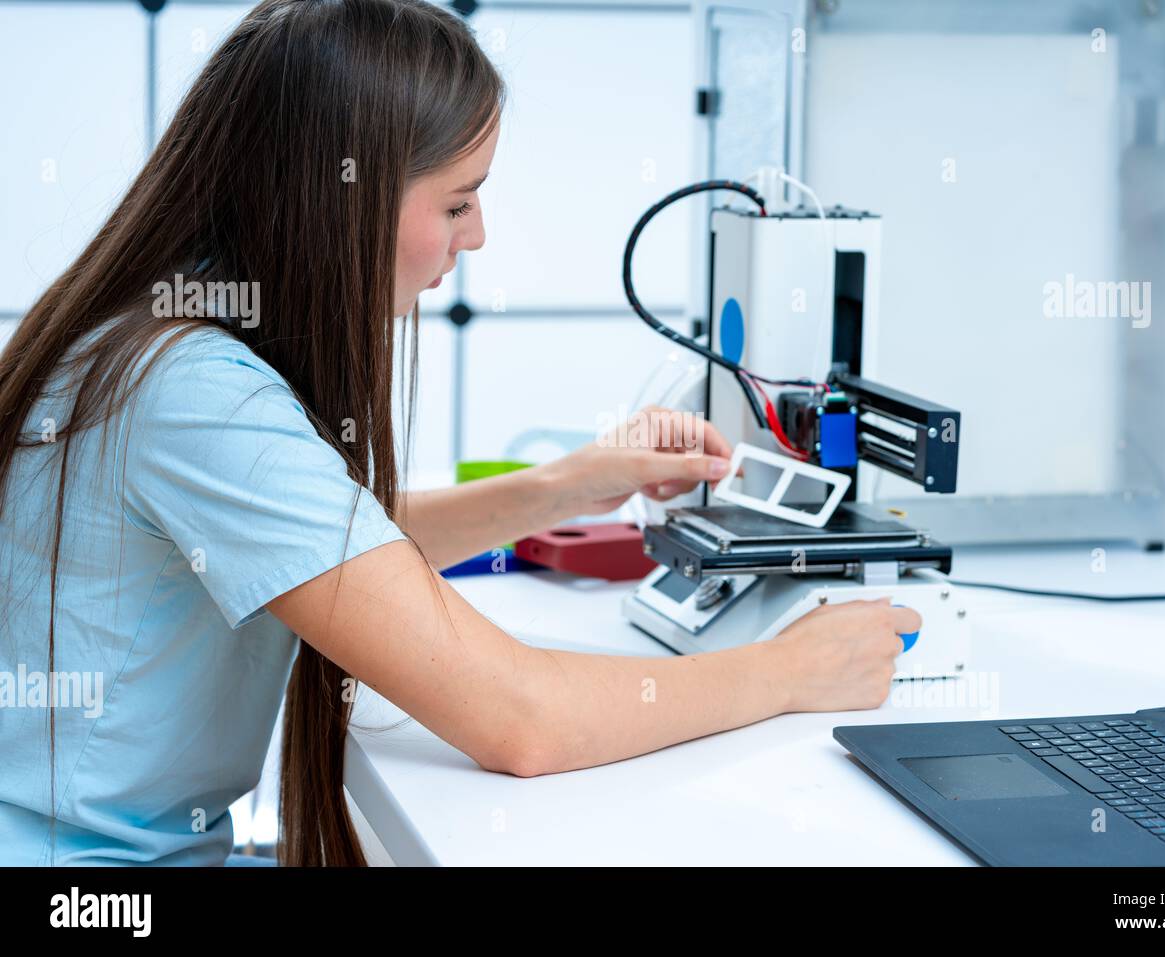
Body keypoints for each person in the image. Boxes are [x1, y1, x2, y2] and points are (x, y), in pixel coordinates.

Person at [0, 0, 919, 866]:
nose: (473, 235)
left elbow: (321, 543)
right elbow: (521, 718)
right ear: (339, 198)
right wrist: (789, 670)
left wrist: (566, 486)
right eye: (455, 202)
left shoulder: (159, 330)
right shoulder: (194, 393)